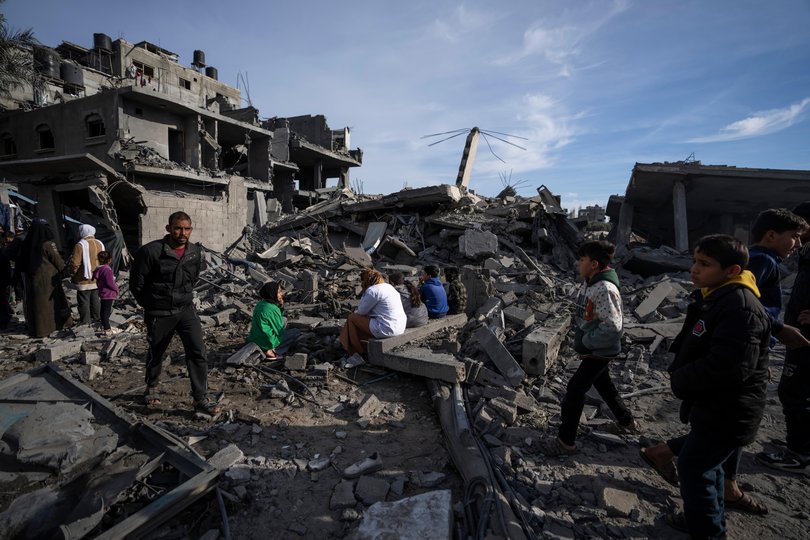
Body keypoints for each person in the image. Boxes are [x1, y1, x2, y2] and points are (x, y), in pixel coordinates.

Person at [661, 235, 770, 538]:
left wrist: (680, 379)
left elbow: (730, 367)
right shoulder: (717, 294)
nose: (694, 269)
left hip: (728, 410)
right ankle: (706, 519)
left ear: (732, 270)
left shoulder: (739, 306)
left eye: (704, 264)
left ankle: (708, 531)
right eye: (695, 261)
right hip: (715, 405)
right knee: (710, 468)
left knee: (695, 469)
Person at [540, 240, 635, 456]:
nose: (577, 263)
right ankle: (626, 421)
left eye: (581, 260)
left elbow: (613, 326)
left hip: (599, 350)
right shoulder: (590, 281)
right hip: (595, 349)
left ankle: (566, 442)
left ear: (593, 264)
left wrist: (587, 342)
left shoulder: (604, 288)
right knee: (604, 385)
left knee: (574, 392)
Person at [130, 212, 220, 416]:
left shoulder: (194, 252)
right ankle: (151, 386)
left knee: (198, 351)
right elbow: (136, 284)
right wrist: (151, 305)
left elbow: (193, 278)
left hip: (185, 310)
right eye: (178, 228)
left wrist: (183, 297)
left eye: (187, 228)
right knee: (157, 351)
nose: (182, 233)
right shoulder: (151, 252)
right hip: (159, 312)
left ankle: (200, 398)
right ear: (168, 228)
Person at [757, 202, 810, 475]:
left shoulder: (764, 260)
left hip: (802, 337)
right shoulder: (768, 259)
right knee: (795, 391)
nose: (798, 241)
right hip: (795, 333)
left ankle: (800, 452)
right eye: (795, 234)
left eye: (802, 233)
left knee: (795, 391)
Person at [16, 219, 74, 337]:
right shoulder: (48, 244)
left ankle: (38, 330)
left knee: (37, 305)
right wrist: (65, 270)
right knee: (54, 303)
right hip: (49, 280)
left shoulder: (26, 243)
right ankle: (58, 326)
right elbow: (58, 261)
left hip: (32, 279)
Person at [340, 268, 406, 355]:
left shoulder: (372, 290)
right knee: (361, 320)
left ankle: (356, 350)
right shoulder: (388, 287)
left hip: (387, 328)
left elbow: (361, 311)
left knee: (352, 318)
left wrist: (364, 292)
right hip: (400, 326)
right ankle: (351, 343)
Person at [248, 281, 300, 358]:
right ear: (272, 293)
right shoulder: (272, 308)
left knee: (284, 319)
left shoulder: (261, 303)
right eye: (279, 292)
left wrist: (280, 305)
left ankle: (267, 347)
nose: (281, 294)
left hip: (254, 338)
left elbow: (277, 318)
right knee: (296, 332)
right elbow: (279, 331)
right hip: (266, 342)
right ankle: (274, 351)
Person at [68, 224, 104, 325]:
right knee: (95, 298)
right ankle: (97, 319)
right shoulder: (99, 243)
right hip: (97, 277)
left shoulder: (80, 245)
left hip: (83, 278)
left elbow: (75, 263)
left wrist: (72, 273)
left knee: (83, 300)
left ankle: (85, 322)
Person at [92, 250, 119, 335]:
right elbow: (110, 283)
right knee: (106, 312)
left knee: (103, 311)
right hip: (108, 293)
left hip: (103, 292)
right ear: (110, 260)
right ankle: (107, 329)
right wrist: (116, 289)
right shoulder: (107, 270)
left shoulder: (99, 269)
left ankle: (105, 326)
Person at [0, 229, 14, 329]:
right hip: (4, 278)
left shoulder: (4, 250)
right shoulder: (4, 250)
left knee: (3, 299)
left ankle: (5, 318)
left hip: (3, 279)